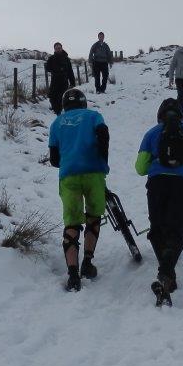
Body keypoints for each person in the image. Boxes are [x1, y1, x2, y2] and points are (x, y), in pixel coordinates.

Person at [135, 98, 183, 305]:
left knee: (157, 229)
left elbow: (140, 168)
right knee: (176, 230)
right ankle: (166, 274)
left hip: (157, 184)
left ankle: (166, 275)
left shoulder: (151, 133)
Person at [48, 88, 110, 291]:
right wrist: (102, 159)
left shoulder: (56, 123)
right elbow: (104, 136)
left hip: (69, 175)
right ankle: (87, 262)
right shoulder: (94, 116)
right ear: (83, 102)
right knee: (94, 215)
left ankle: (73, 275)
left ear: (65, 105)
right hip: (94, 172)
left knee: (72, 222)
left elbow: (54, 160)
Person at [44, 42, 77, 115]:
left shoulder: (66, 59)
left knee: (61, 97)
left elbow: (70, 71)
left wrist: (72, 82)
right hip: (54, 80)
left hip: (64, 81)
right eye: (56, 48)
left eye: (59, 48)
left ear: (61, 48)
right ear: (54, 49)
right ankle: (55, 110)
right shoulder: (51, 58)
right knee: (52, 96)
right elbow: (47, 68)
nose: (58, 50)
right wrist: (54, 69)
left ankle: (59, 111)